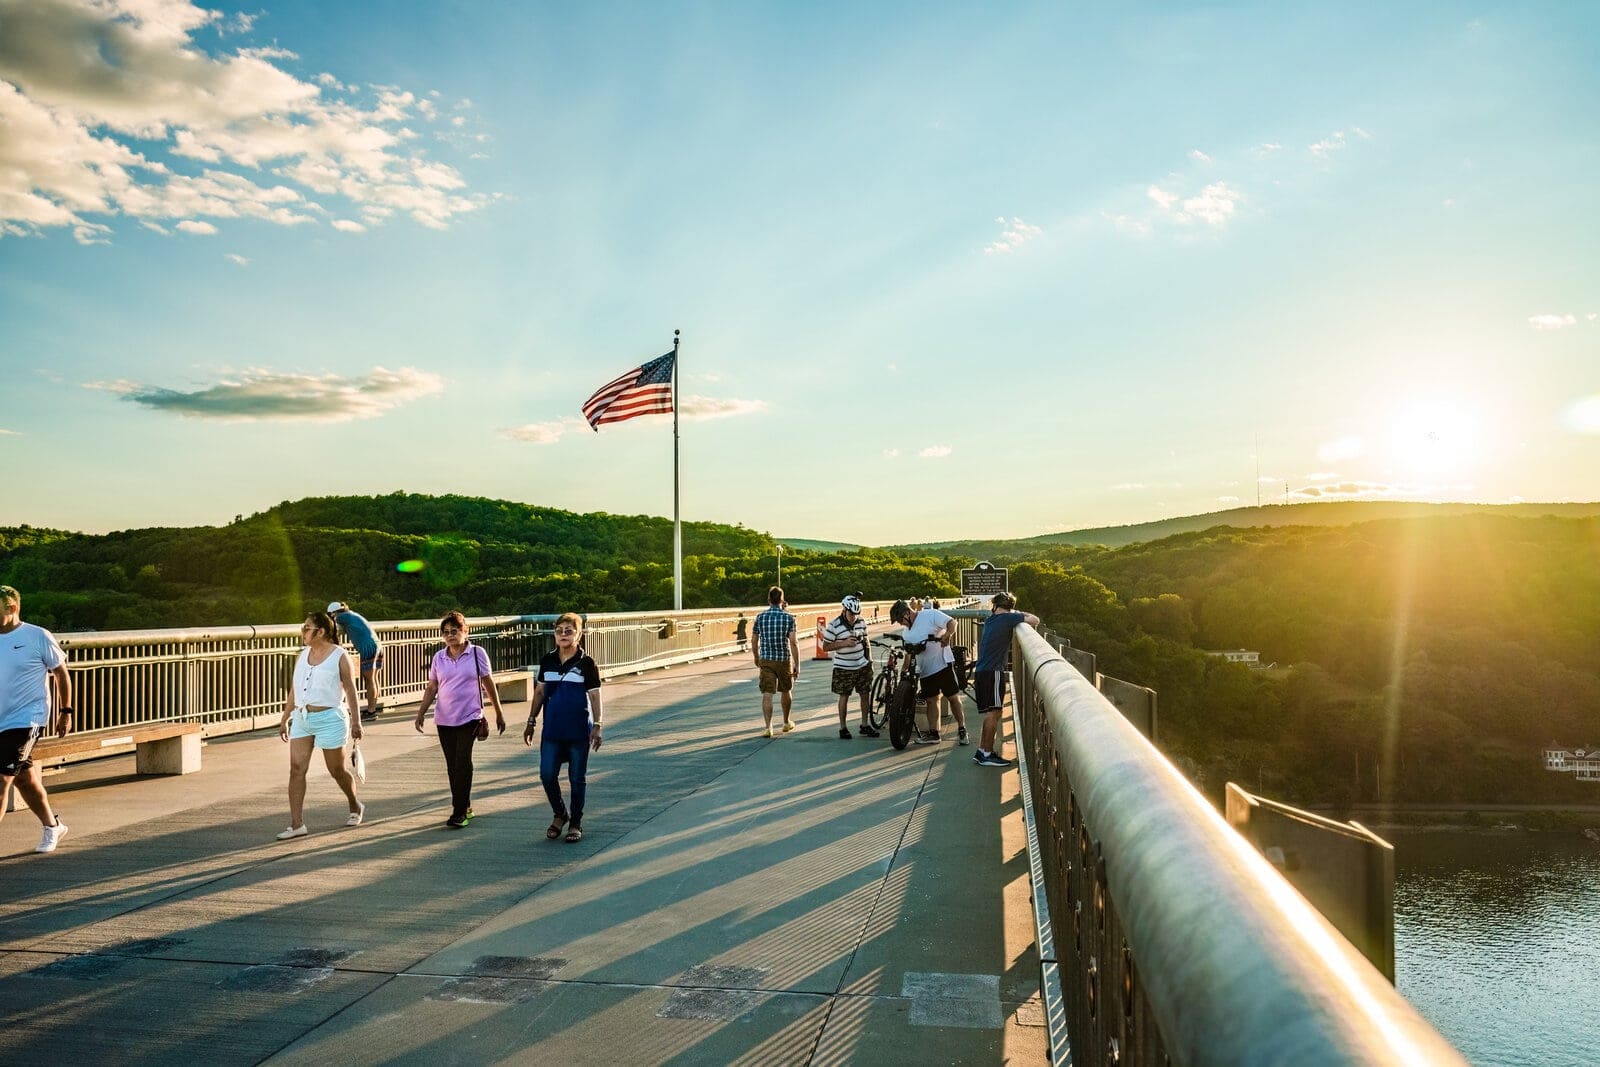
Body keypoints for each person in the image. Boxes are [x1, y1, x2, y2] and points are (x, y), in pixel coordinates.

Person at [276, 610, 365, 839]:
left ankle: (355, 805)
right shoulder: (302, 655)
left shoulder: (339, 655)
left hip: (330, 719)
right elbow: (295, 689)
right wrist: (285, 718)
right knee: (296, 769)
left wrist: (357, 722)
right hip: (303, 718)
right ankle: (297, 825)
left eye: (307, 628)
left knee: (336, 770)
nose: (303, 631)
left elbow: (350, 690)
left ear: (321, 631)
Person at [414, 611, 506, 828]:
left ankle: (458, 812)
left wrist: (498, 712)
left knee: (462, 762)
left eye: (454, 631)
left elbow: (488, 682)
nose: (450, 636)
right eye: (446, 633)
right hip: (444, 718)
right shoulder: (439, 657)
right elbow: (432, 687)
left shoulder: (477, 653)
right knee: (452, 765)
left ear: (465, 631)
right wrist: (421, 712)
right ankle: (465, 805)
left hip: (470, 716)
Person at [0, 585, 73, 854]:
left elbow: (61, 674)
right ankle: (52, 825)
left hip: (26, 719)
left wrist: (66, 712)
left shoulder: (37, 636)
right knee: (24, 779)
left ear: (12, 608)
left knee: (2, 781)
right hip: (0, 718)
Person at [523, 613, 603, 843]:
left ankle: (575, 822)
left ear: (579, 634)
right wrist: (531, 721)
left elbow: (595, 695)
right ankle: (560, 814)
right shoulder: (547, 660)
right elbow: (539, 692)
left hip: (579, 730)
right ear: (554, 634)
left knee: (577, 778)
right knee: (547, 774)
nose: (564, 634)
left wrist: (598, 724)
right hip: (552, 730)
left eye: (569, 630)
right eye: (560, 630)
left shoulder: (586, 663)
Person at [971, 592, 1038, 768]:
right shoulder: (1008, 618)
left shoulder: (991, 619)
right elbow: (1034, 620)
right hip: (993, 671)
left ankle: (983, 751)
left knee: (994, 712)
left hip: (982, 670)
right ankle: (985, 753)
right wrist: (1017, 613)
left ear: (995, 605)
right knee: (994, 712)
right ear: (1010, 607)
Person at [889, 597, 969, 746]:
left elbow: (952, 622)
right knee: (932, 700)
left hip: (942, 664)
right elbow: (909, 653)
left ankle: (962, 729)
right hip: (925, 670)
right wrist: (904, 670)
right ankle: (934, 734)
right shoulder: (906, 633)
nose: (900, 623)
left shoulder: (930, 614)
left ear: (907, 613)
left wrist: (947, 635)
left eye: (900, 620)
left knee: (952, 697)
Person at [820, 595, 877, 738]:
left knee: (865, 694)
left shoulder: (861, 622)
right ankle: (843, 728)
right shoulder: (834, 625)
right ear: (844, 609)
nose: (853, 617)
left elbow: (866, 641)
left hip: (861, 665)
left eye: (856, 614)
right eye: (851, 614)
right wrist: (843, 643)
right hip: (843, 667)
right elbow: (825, 647)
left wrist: (869, 660)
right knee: (844, 696)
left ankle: (864, 725)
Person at [751, 585, 800, 737]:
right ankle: (786, 722)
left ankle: (768, 727)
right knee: (786, 690)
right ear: (782, 600)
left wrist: (756, 657)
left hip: (766, 659)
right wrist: (797, 664)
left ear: (768, 600)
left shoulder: (760, 617)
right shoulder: (788, 618)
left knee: (767, 693)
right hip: (783, 659)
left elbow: (754, 640)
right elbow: (793, 642)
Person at [327, 601, 384, 721]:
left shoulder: (342, 617)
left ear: (334, 613)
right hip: (377, 645)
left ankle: (371, 711)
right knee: (374, 679)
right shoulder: (351, 614)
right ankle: (373, 707)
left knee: (369, 680)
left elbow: (329, 627)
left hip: (368, 648)